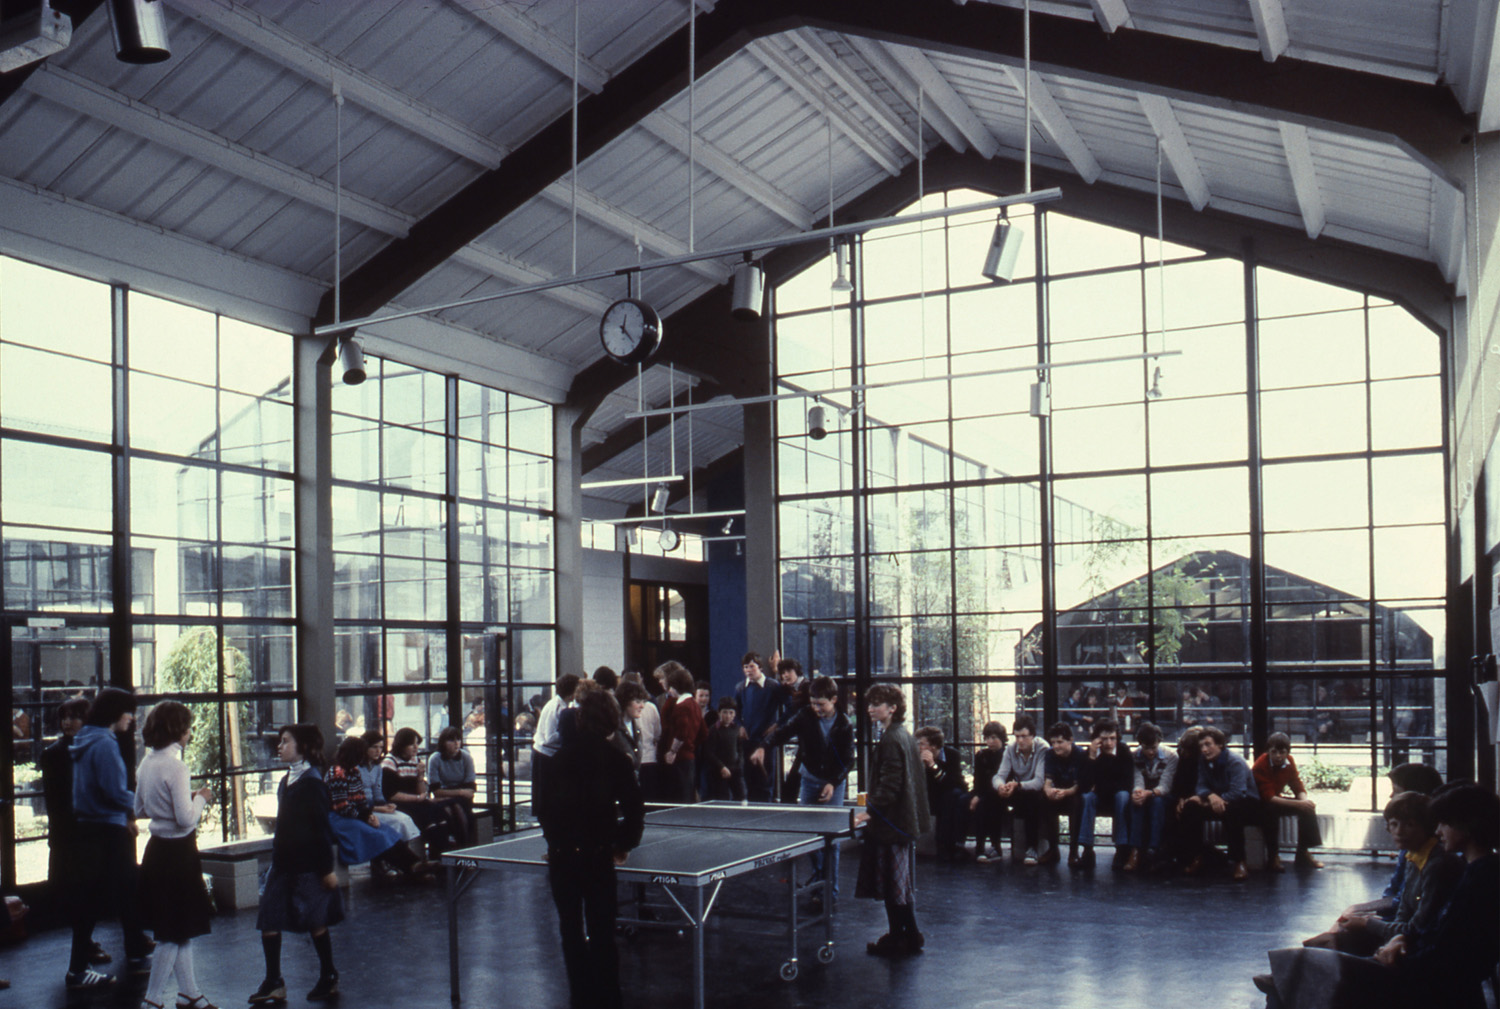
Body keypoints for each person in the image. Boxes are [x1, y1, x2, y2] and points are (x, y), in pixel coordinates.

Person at [1257, 784, 1498, 1009]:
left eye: (1444, 823)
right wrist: (1399, 940)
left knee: (1298, 976)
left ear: (1466, 826)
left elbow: (1445, 953)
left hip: (1421, 980)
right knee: (1297, 974)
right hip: (1419, 966)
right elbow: (1438, 933)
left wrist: (1393, 955)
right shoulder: (1477, 872)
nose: (1438, 830)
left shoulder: (1475, 878)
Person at [537, 685, 645, 1009]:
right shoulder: (617, 759)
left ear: (581, 719)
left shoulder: (557, 759)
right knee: (602, 932)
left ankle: (580, 998)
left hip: (563, 857)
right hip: (600, 856)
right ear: (611, 720)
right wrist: (623, 844)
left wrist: (555, 842)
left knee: (570, 931)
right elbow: (635, 810)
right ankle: (609, 998)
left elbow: (544, 809)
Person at [1292, 791, 1460, 956]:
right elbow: (1403, 913)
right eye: (1394, 824)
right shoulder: (1413, 856)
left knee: (1344, 942)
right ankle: (1292, 971)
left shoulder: (1437, 865)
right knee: (1342, 936)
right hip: (1407, 938)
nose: (1399, 831)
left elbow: (1417, 929)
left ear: (1426, 827)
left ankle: (1291, 974)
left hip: (1426, 948)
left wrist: (1368, 924)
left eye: (1409, 825)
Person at [66, 687, 152, 990]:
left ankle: (128, 956)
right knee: (124, 891)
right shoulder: (103, 742)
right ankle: (87, 968)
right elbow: (114, 791)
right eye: (129, 712)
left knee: (97, 896)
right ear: (116, 712)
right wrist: (141, 804)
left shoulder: (85, 738)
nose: (132, 718)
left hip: (91, 828)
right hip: (107, 831)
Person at [133, 701, 217, 1009]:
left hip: (156, 851)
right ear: (178, 730)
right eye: (188, 727)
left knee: (179, 929)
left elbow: (139, 809)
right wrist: (202, 799)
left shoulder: (147, 763)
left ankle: (189, 993)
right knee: (173, 931)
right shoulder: (177, 766)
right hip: (179, 854)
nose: (190, 732)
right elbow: (185, 820)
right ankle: (152, 999)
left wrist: (178, 803)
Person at [251, 724, 342, 1005]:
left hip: (308, 867)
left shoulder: (313, 784)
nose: (279, 746)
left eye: (285, 741)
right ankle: (274, 981)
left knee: (315, 921)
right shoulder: (285, 782)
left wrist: (326, 869)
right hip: (282, 865)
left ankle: (328, 975)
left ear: (302, 746)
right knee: (269, 918)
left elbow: (320, 829)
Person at [754, 676, 854, 908]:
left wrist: (833, 782)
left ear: (834, 700)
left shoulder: (844, 724)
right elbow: (782, 733)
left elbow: (848, 761)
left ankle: (831, 892)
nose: (816, 708)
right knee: (808, 835)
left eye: (822, 704)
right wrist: (763, 746)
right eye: (813, 703)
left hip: (833, 783)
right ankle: (821, 879)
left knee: (831, 839)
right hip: (809, 780)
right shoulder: (805, 716)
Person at [854, 683, 930, 958]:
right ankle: (909, 934)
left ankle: (901, 937)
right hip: (901, 823)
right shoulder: (903, 735)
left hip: (892, 824)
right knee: (900, 884)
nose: (871, 708)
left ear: (893, 708)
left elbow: (890, 784)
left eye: (878, 704)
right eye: (870, 703)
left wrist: (868, 811)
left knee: (893, 884)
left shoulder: (890, 739)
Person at [41, 698, 111, 971]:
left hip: (91, 835)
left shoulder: (96, 749)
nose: (68, 722)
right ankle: (80, 959)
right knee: (75, 896)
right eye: (65, 717)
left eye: (75, 717)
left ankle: (85, 946)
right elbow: (57, 804)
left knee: (92, 895)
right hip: (71, 838)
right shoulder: (54, 754)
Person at [326, 736, 433, 883]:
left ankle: (415, 864)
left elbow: (360, 799)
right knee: (376, 835)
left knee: (388, 831)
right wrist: (365, 817)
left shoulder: (354, 771)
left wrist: (369, 815)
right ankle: (411, 867)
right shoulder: (337, 772)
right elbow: (341, 806)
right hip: (339, 819)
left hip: (354, 815)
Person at [1179, 727, 1259, 880]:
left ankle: (1239, 861)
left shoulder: (1235, 762)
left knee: (1233, 811)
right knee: (1190, 807)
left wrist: (1211, 801)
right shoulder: (1203, 761)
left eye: (1208, 745)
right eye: (1201, 746)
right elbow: (1200, 786)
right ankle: (1197, 856)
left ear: (1220, 744)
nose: (1204, 749)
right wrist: (1210, 796)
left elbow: (1238, 792)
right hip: (1219, 800)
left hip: (1246, 802)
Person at [381, 727, 467, 854]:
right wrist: (417, 798)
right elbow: (391, 795)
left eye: (417, 744)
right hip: (400, 803)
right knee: (427, 818)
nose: (416, 747)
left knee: (440, 814)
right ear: (402, 745)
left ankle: (445, 851)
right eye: (412, 744)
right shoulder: (390, 762)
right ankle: (441, 852)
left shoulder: (415, 760)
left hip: (416, 800)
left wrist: (420, 777)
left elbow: (421, 791)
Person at [1252, 731, 1324, 870]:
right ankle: (1273, 857)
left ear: (1287, 752)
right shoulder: (1261, 764)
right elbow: (1268, 797)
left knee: (1308, 808)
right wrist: (1299, 804)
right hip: (1257, 804)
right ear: (1268, 751)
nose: (1278, 756)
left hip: (1274, 800)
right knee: (1270, 812)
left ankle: (1303, 853)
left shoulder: (1289, 761)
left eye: (1282, 752)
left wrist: (1304, 802)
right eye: (1274, 752)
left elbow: (1296, 784)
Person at [355, 730, 421, 877]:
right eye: (374, 747)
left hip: (376, 807)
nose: (379, 751)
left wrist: (385, 805)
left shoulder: (377, 767)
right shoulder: (356, 768)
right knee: (392, 823)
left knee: (402, 819)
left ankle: (404, 863)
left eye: (381, 747)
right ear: (365, 748)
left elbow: (378, 793)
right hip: (363, 809)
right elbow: (356, 800)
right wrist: (378, 808)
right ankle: (391, 863)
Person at [993, 715, 1047, 864]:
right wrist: (1001, 786)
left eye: (1024, 736)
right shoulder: (1010, 749)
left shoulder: (1043, 748)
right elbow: (999, 776)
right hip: (1016, 788)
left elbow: (1039, 782)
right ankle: (995, 846)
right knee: (993, 796)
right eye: (1017, 736)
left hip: (1034, 792)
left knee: (1032, 799)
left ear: (1033, 736)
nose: (1020, 741)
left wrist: (1018, 785)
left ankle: (1032, 848)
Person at [1124, 720, 1176, 872]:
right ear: (1140, 744)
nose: (1150, 752)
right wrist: (1138, 792)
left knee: (1157, 802)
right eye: (1146, 748)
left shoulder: (1171, 756)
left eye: (1153, 747)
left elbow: (1166, 785)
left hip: (1164, 795)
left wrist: (1151, 793)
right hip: (1145, 793)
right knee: (1136, 804)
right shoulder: (1135, 757)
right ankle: (1135, 850)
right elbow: (1137, 778)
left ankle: (1153, 849)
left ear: (1159, 742)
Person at [1083, 718, 1134, 869]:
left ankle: (1121, 848)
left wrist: (1100, 785)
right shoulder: (1091, 753)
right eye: (1104, 739)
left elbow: (1126, 782)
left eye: (1112, 738)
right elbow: (1085, 783)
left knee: (1123, 796)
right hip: (1099, 797)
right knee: (1087, 797)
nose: (1109, 743)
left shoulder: (1123, 751)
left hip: (1116, 796)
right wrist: (1092, 758)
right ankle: (1087, 848)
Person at [1040, 721, 1092, 868]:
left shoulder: (1080, 755)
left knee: (1077, 802)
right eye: (1053, 742)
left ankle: (1073, 851)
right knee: (1043, 799)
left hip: (1073, 793)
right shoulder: (1050, 754)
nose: (1056, 746)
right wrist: (1048, 791)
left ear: (1070, 740)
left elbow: (1079, 786)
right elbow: (1048, 780)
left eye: (1060, 742)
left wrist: (1066, 792)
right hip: (1057, 793)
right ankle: (1052, 848)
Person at [734, 652, 784, 802]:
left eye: (752, 666)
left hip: (766, 742)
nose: (749, 670)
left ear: (760, 668)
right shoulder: (741, 687)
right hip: (748, 740)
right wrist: (740, 726)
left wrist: (777, 724)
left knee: (765, 782)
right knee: (749, 781)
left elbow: (790, 708)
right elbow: (736, 710)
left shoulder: (773, 686)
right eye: (745, 667)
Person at [531, 674, 581, 823]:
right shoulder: (556, 708)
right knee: (546, 794)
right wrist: (570, 733)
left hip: (550, 754)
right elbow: (549, 737)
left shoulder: (563, 706)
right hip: (545, 755)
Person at [914, 726, 969, 861]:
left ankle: (949, 845)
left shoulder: (952, 755)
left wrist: (933, 766)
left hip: (951, 791)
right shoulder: (916, 757)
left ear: (933, 746)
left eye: (922, 744)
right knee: (947, 799)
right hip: (932, 793)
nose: (919, 746)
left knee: (952, 797)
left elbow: (952, 783)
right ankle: (949, 845)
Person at [657, 662, 705, 802]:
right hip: (689, 758)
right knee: (687, 796)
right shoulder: (694, 704)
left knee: (679, 798)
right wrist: (690, 745)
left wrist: (672, 751)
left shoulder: (681, 706)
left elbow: (682, 732)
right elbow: (703, 733)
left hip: (679, 760)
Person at [426, 725, 477, 844]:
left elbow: (470, 790)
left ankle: (464, 843)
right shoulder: (435, 759)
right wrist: (459, 792)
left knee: (458, 807)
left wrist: (448, 794)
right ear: (443, 742)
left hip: (456, 799)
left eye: (458, 739)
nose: (456, 743)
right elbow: (436, 790)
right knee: (449, 809)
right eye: (451, 740)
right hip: (448, 799)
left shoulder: (466, 757)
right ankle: (456, 842)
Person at [968, 721, 1008, 863]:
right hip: (982, 791)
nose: (989, 742)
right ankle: (957, 843)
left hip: (1000, 792)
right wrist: (976, 795)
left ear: (1001, 738)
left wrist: (980, 797)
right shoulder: (981, 755)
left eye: (993, 738)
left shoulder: (1007, 754)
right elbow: (978, 781)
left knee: (987, 804)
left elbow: (1002, 780)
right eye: (987, 738)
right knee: (962, 800)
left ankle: (991, 846)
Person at [702, 698, 746, 801]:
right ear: (719, 713)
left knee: (741, 797)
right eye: (725, 712)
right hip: (719, 773)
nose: (728, 716)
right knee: (723, 798)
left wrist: (739, 763)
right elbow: (709, 753)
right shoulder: (713, 730)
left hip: (735, 770)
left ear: (735, 714)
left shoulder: (736, 729)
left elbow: (740, 749)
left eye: (731, 713)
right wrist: (721, 767)